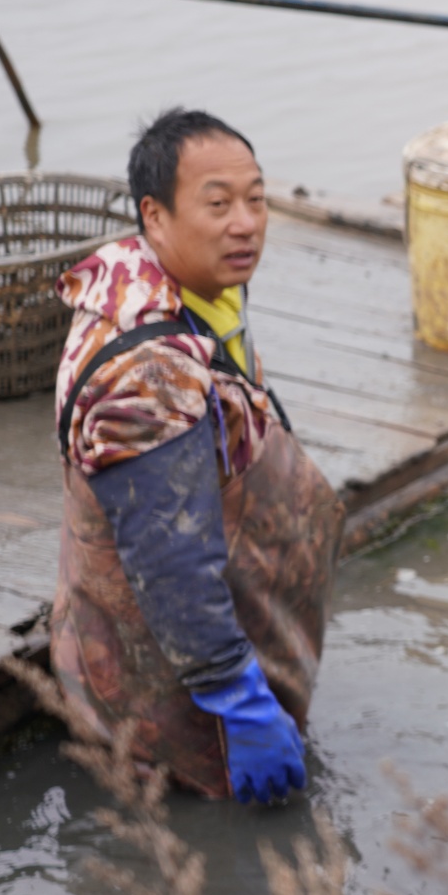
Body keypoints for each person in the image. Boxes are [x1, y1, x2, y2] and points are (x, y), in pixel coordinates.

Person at [50, 109, 342, 803]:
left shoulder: (187, 288)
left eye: (256, 199)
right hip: (172, 697)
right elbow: (170, 562)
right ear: (155, 215)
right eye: (217, 204)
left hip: (193, 645)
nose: (244, 223)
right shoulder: (148, 377)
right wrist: (239, 702)